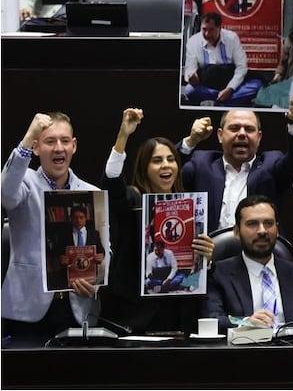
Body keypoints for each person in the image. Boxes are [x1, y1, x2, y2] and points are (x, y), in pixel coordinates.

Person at [99, 108, 215, 333]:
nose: (166, 165)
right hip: (134, 318)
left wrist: (207, 257)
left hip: (180, 318)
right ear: (144, 168)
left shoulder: (190, 204)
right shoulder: (131, 198)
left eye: (171, 159)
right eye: (157, 160)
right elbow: (111, 184)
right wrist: (123, 136)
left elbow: (198, 270)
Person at [1, 114, 101, 340]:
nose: (58, 148)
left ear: (73, 146)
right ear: (36, 148)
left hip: (78, 309)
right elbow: (5, 195)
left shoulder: (90, 191)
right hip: (27, 311)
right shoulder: (23, 182)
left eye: (65, 141)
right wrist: (27, 138)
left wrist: (96, 280)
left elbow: (105, 249)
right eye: (49, 141)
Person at [178, 93, 293, 230]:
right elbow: (167, 173)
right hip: (210, 248)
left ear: (259, 138)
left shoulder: (271, 164)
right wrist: (191, 141)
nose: (241, 134)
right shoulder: (201, 163)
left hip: (259, 247)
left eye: (249, 129)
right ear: (220, 135)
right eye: (234, 128)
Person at [203, 195, 293, 333]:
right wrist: (245, 323)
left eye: (268, 223)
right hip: (241, 351)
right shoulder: (218, 274)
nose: (262, 231)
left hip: (290, 351)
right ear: (237, 232)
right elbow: (212, 320)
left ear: (277, 229)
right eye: (252, 224)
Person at [182, 12, 263, 106]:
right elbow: (189, 69)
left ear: (219, 28)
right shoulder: (193, 41)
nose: (207, 34)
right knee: (190, 90)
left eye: (211, 30)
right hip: (208, 86)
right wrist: (192, 76)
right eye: (204, 29)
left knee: (257, 86)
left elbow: (241, 67)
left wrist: (230, 89)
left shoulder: (232, 38)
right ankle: (228, 103)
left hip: (232, 84)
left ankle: (217, 103)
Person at [46, 205, 106, 291]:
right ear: (71, 219)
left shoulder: (94, 234)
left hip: (89, 275)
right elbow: (57, 252)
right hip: (69, 276)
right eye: (75, 217)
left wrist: (100, 256)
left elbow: (101, 250)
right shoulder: (64, 234)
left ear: (86, 218)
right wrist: (61, 258)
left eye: (81, 217)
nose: (78, 220)